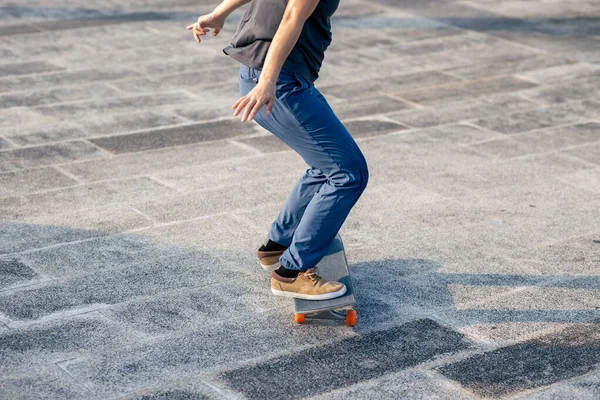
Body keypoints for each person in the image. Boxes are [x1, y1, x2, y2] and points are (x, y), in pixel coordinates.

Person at [187, 0, 369, 301]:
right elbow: (292, 15)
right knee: (348, 173)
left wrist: (218, 14)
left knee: (325, 166)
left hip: (263, 74)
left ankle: (277, 247)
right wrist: (269, 80)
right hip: (278, 82)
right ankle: (292, 273)